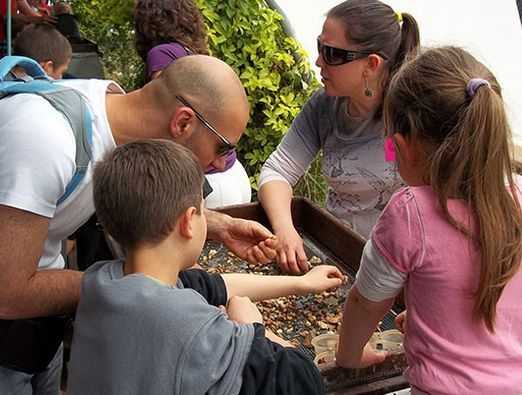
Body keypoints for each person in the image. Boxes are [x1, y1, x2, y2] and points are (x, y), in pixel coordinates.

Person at [0, 54, 278, 395]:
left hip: (39, 331)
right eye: (223, 147)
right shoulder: (47, 137)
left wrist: (217, 225)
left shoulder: (107, 111)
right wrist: (133, 290)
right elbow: (8, 292)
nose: (220, 162)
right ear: (183, 123)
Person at [67, 139, 346, 395]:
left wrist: (302, 283)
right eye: (202, 210)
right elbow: (302, 380)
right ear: (189, 220)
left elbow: (217, 285)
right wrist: (253, 328)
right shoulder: (195, 329)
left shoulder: (102, 282)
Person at [336, 46, 522, 394]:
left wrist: (349, 356)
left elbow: (366, 303)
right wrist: (430, 318)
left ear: (405, 146)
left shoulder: (410, 212)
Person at [258, 0, 420, 273]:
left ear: (371, 64)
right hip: (337, 251)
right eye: (319, 46)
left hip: (396, 264)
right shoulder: (323, 106)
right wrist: (285, 229)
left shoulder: (413, 115)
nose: (318, 60)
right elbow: (277, 170)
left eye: (332, 53)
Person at [134, 0, 252, 209]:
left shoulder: (160, 53)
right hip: (235, 175)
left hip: (211, 182)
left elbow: (164, 108)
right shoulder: (190, 52)